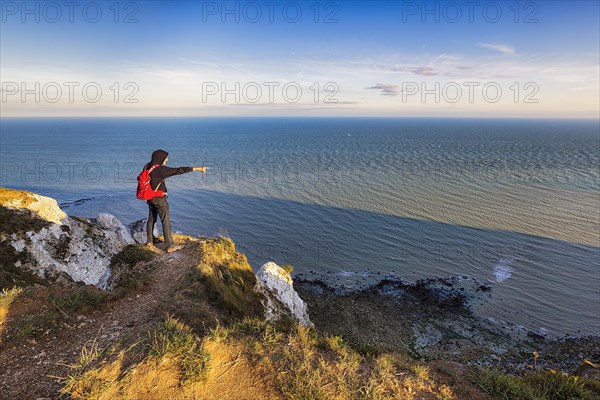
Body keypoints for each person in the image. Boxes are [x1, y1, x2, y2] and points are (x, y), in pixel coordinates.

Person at [144, 149, 206, 253]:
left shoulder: (147, 167)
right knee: (166, 221)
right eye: (166, 158)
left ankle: (150, 241)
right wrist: (197, 168)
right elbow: (179, 170)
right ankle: (170, 245)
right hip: (160, 199)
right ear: (160, 157)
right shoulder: (160, 170)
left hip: (150, 198)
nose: (167, 160)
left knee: (151, 219)